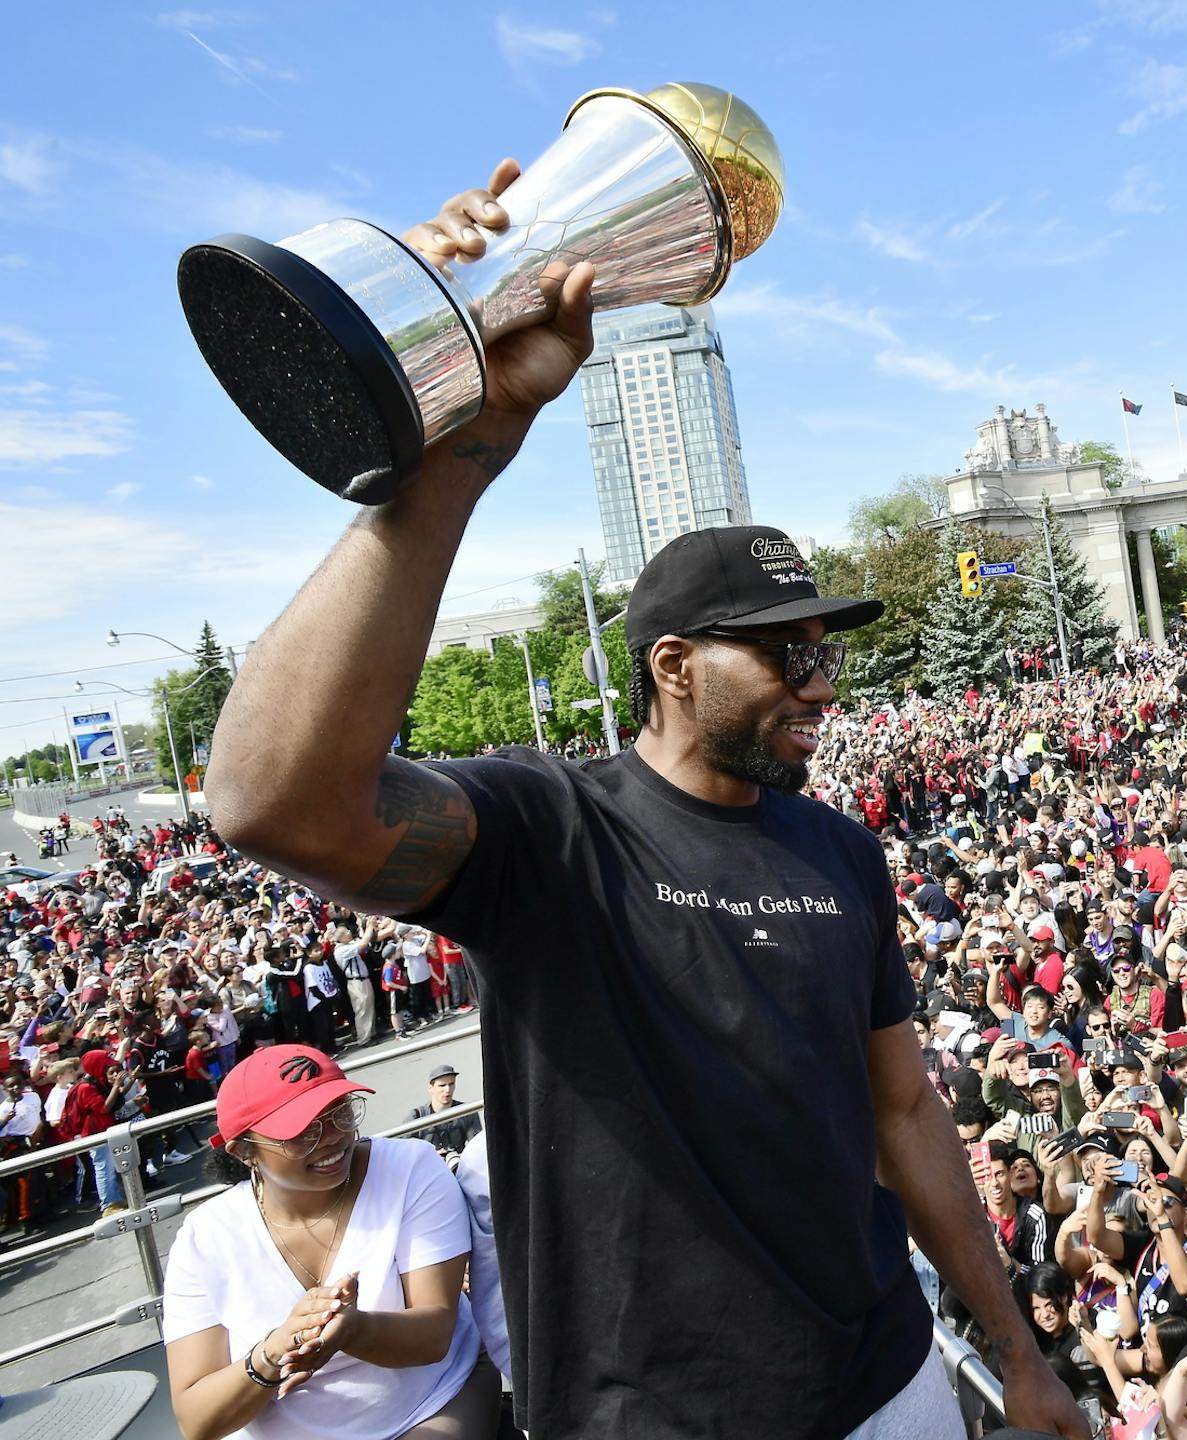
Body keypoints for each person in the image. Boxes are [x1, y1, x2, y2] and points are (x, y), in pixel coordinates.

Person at [204, 172, 1084, 1440]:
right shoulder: (548, 836)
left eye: (826, 653)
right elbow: (270, 799)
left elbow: (902, 1111)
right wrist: (475, 433)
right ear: (673, 665)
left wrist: (1016, 1348)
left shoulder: (841, 848)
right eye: (786, 654)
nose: (820, 686)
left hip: (891, 1386)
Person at [161, 1044, 497, 1439]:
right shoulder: (205, 1239)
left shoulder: (410, 1170)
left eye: (340, 1111)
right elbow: (198, 1420)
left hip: (430, 1405)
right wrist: (271, 1354)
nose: (334, 1138)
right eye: (302, 1132)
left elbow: (433, 1335)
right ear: (244, 1151)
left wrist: (353, 1331)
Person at [407, 1065, 481, 1163]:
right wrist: (428, 1156)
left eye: (451, 1084)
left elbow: (477, 1149)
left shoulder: (466, 1112)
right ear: (430, 1088)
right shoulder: (416, 1116)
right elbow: (404, 1154)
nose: (447, 1090)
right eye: (442, 1085)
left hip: (458, 1169)